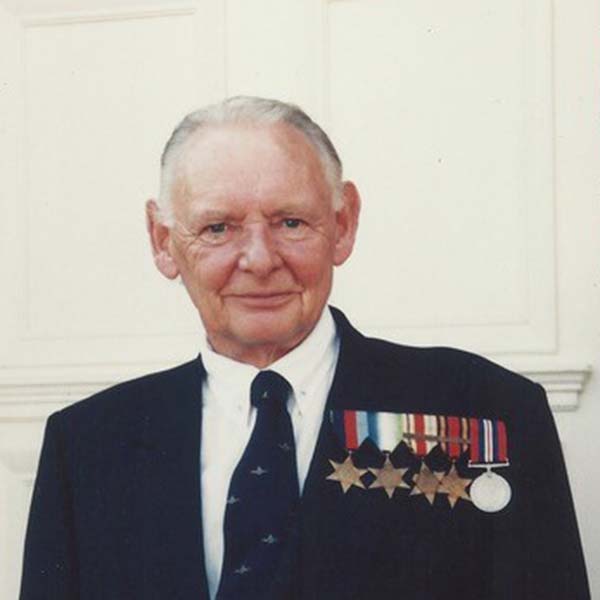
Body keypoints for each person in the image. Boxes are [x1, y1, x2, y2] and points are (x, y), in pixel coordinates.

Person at [20, 96, 589, 600]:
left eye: (291, 222)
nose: (261, 259)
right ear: (163, 241)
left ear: (342, 224)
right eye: (218, 228)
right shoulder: (88, 445)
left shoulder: (487, 411)